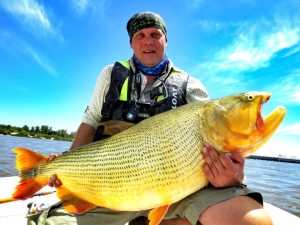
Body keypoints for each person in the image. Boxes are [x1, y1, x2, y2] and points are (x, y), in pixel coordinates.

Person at [28, 12, 273, 225]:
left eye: (155, 34)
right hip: (109, 184)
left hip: (178, 191)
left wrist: (235, 178)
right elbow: (91, 120)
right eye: (140, 35)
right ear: (131, 43)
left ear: (166, 40)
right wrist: (65, 166)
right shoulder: (110, 74)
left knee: (251, 221)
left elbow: (216, 137)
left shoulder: (191, 85)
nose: (148, 42)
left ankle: (149, 221)